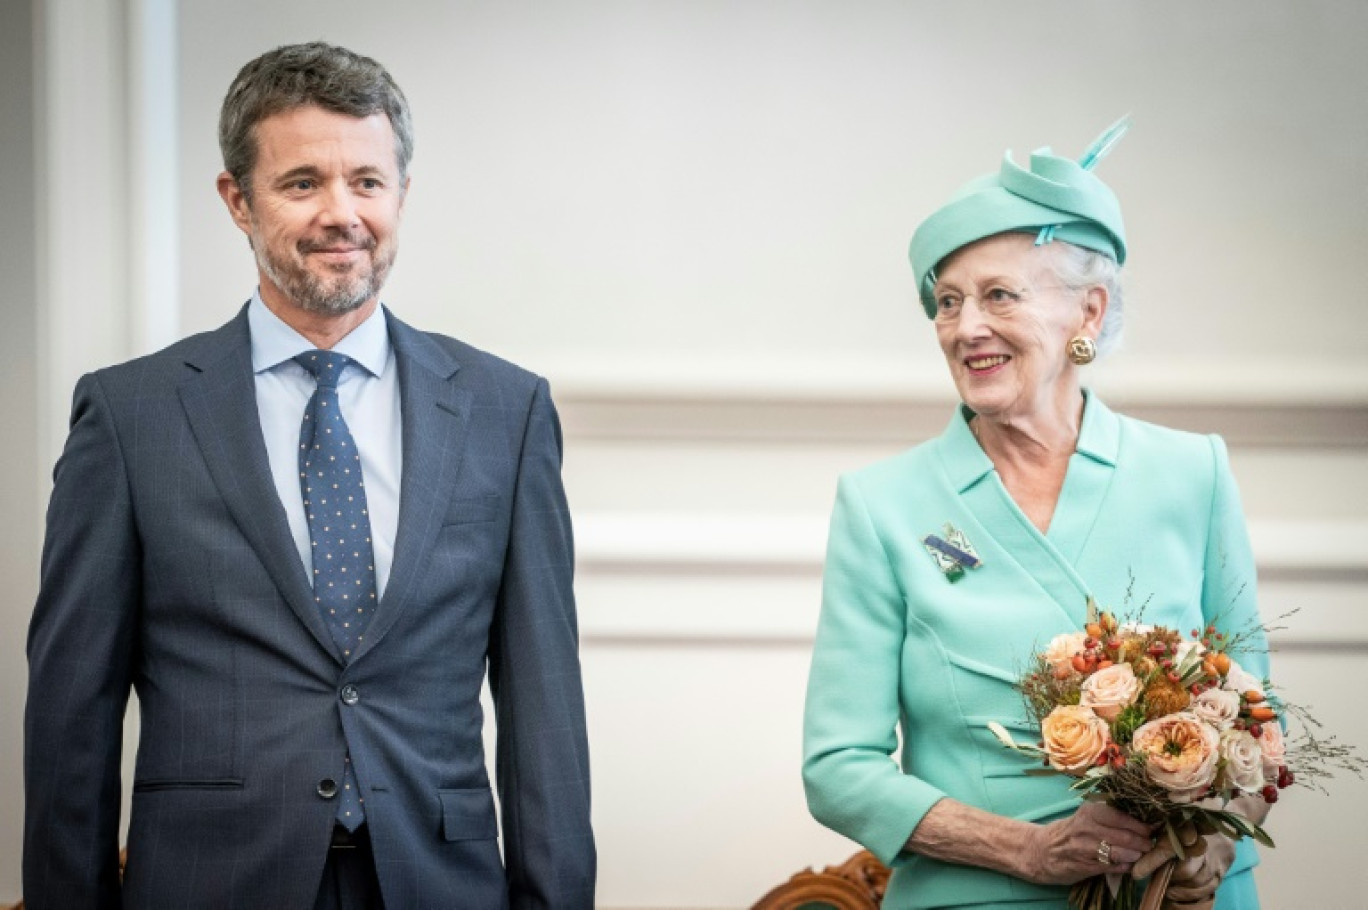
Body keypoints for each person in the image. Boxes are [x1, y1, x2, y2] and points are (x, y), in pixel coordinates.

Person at [24, 42, 594, 909]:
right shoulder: (130, 416)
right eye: (302, 184)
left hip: (439, 883)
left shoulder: (505, 412)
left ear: (402, 193)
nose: (342, 213)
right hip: (210, 883)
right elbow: (73, 720)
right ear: (238, 200)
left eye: (367, 181)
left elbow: (546, 709)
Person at [801, 121, 1269, 909]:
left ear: (1087, 313)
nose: (964, 327)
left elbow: (1261, 714)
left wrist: (1216, 842)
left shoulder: (1193, 472)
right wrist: (1032, 852)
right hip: (980, 896)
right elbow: (837, 766)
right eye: (946, 303)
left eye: (997, 296)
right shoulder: (885, 506)